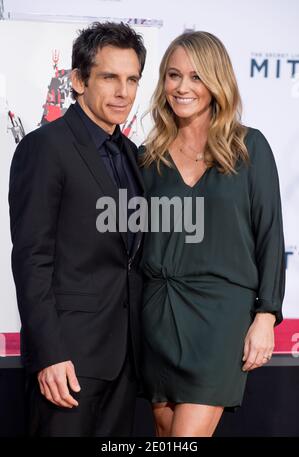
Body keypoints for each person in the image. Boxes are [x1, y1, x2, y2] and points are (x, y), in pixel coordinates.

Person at [139, 31, 285, 437]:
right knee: (167, 438)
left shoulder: (249, 148)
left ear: (217, 82)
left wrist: (266, 315)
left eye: (196, 76)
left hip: (221, 318)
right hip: (159, 316)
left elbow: (270, 235)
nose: (182, 87)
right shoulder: (147, 158)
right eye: (173, 75)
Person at [9, 22, 146, 437]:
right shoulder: (46, 146)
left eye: (132, 79)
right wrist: (50, 354)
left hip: (124, 360)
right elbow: (31, 257)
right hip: (67, 360)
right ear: (78, 80)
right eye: (109, 77)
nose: (123, 91)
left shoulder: (132, 154)